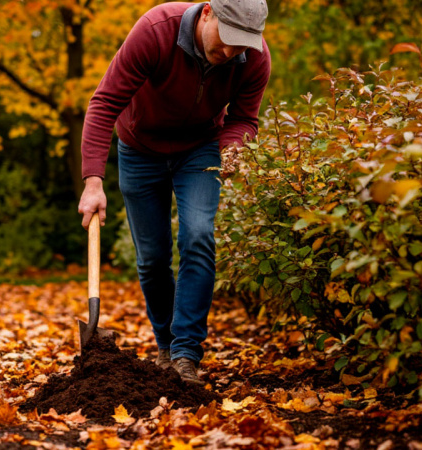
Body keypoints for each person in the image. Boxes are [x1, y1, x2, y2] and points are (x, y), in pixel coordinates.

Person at [77, 0, 271, 385]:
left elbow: (244, 118)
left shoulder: (255, 59)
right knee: (152, 259)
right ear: (206, 14)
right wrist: (93, 181)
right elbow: (104, 105)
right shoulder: (155, 30)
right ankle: (165, 344)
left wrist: (233, 148)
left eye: (242, 44)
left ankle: (185, 354)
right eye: (228, 40)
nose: (231, 53)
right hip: (139, 149)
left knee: (198, 236)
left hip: (200, 149)